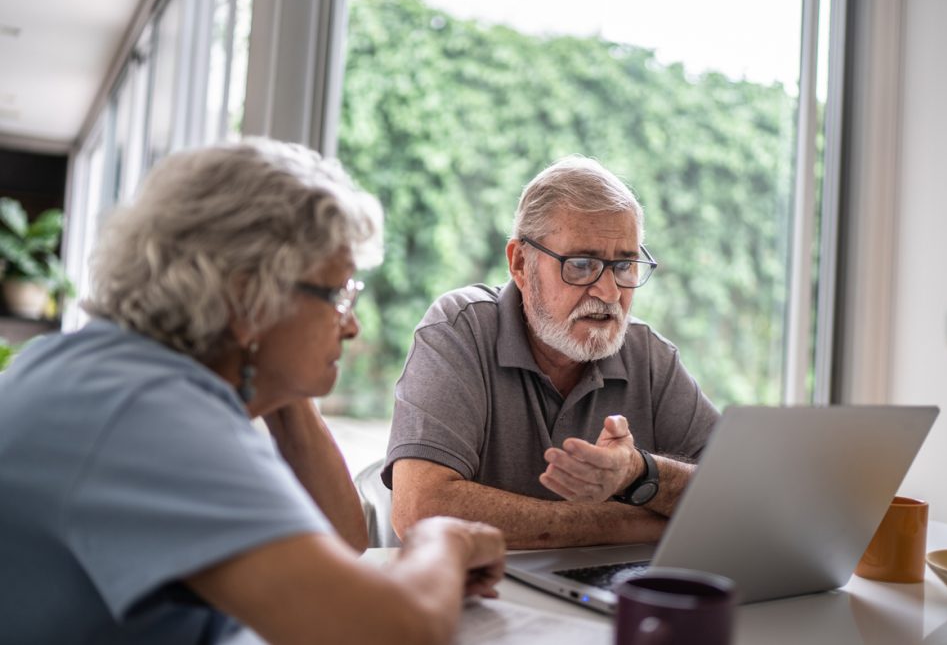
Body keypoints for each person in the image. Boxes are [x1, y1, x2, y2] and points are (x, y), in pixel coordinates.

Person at [0, 138, 504, 644]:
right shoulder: (149, 417)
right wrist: (444, 538)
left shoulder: (106, 370)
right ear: (247, 296)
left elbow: (344, 543)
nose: (350, 327)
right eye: (338, 295)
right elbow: (392, 632)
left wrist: (279, 382)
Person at [385, 155, 720, 549]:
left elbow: (742, 495)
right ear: (520, 263)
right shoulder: (460, 329)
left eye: (625, 265)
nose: (609, 293)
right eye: (581, 264)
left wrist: (641, 472)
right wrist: (648, 523)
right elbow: (420, 511)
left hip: (601, 599)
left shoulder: (649, 355)